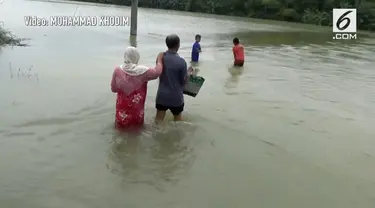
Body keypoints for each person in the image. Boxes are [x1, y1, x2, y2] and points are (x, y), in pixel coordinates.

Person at [111, 46, 164, 129]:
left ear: (125, 56)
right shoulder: (142, 71)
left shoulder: (117, 70)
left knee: (120, 130)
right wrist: (160, 59)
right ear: (137, 57)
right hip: (136, 113)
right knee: (136, 131)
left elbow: (113, 89)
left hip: (121, 113)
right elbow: (157, 72)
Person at [155, 34, 188, 123]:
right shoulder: (182, 62)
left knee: (158, 121)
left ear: (167, 44)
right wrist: (188, 74)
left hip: (162, 96)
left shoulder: (161, 57)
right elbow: (183, 82)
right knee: (178, 122)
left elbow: (158, 70)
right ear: (178, 45)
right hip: (176, 98)